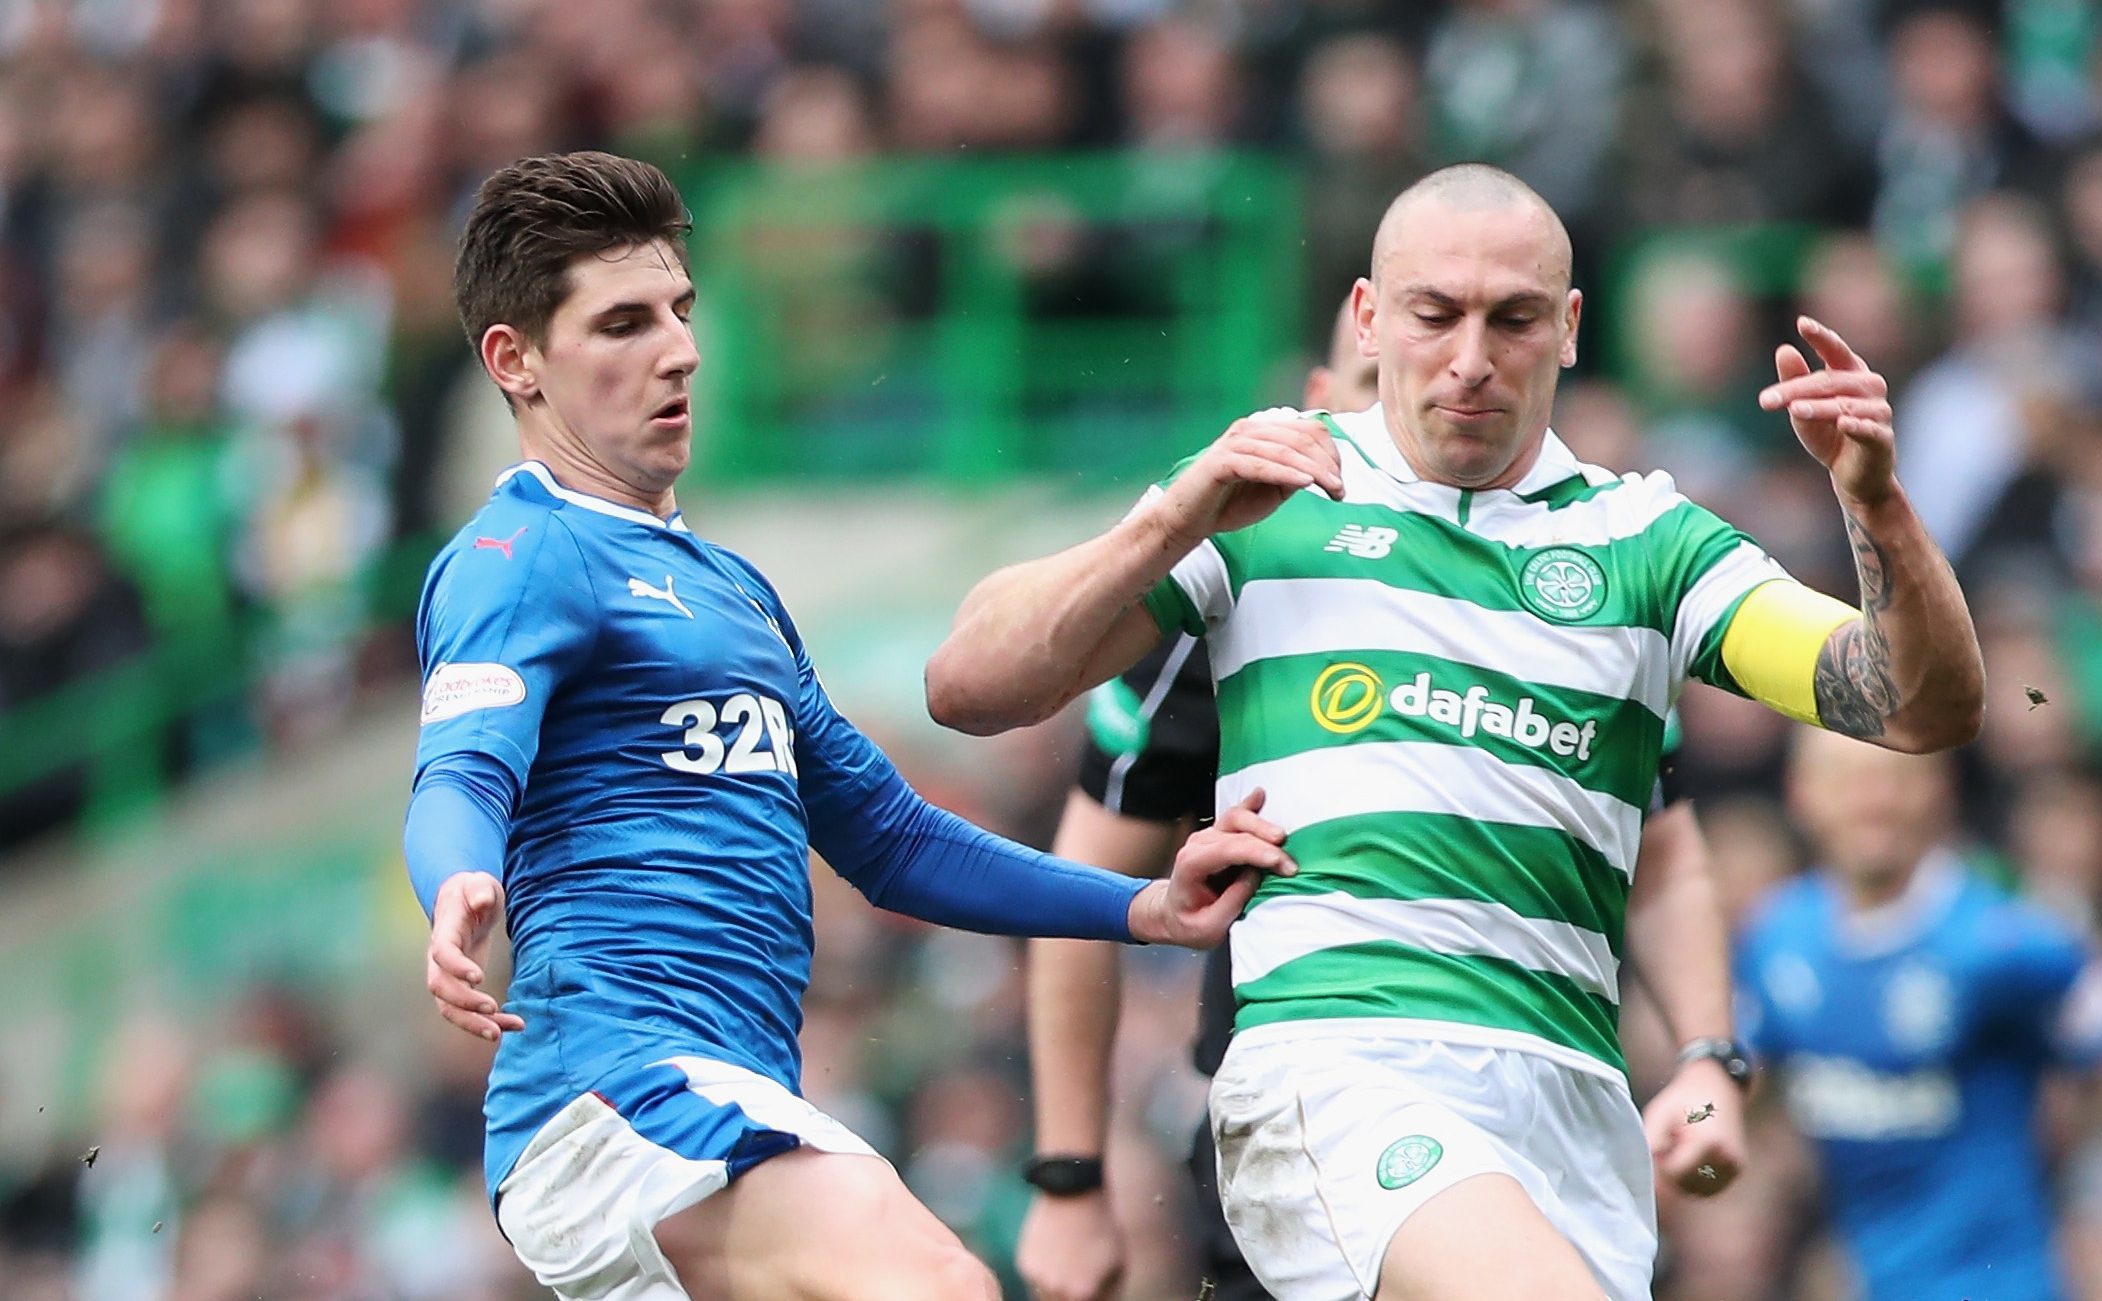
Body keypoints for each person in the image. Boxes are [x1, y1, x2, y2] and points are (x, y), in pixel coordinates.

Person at [926, 163, 1985, 1301]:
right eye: (1435, 314)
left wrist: (1877, 503)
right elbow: (971, 685)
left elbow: (1916, 705)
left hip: (1568, 1106)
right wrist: (1173, 512)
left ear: (1570, 328)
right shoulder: (1268, 502)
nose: (1472, 357)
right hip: (1339, 1065)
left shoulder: (1651, 541)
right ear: (1372, 317)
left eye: (1513, 318)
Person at [400, 151, 1294, 1301]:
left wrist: (1144, 905)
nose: (679, 350)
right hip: (616, 1094)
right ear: (514, 360)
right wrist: (459, 881)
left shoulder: (730, 590)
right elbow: (461, 772)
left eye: (680, 310)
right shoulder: (516, 558)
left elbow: (892, 840)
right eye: (622, 323)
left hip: (704, 1100)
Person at [1015, 304, 1750, 1301]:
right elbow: (1078, 887)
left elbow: (1664, 854)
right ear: (1314, 410)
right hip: (1316, 1107)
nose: (1419, 443)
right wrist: (1070, 1174)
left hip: (1535, 1106)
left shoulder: (1574, 609)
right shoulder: (1233, 587)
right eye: (1376, 402)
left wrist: (1708, 1059)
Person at [1735, 730, 2102, 1301]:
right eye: (1846, 779)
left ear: (1939, 789)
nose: (1871, 800)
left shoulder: (2009, 941)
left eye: (1894, 778)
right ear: (1800, 792)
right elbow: (1727, 1102)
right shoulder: (1777, 938)